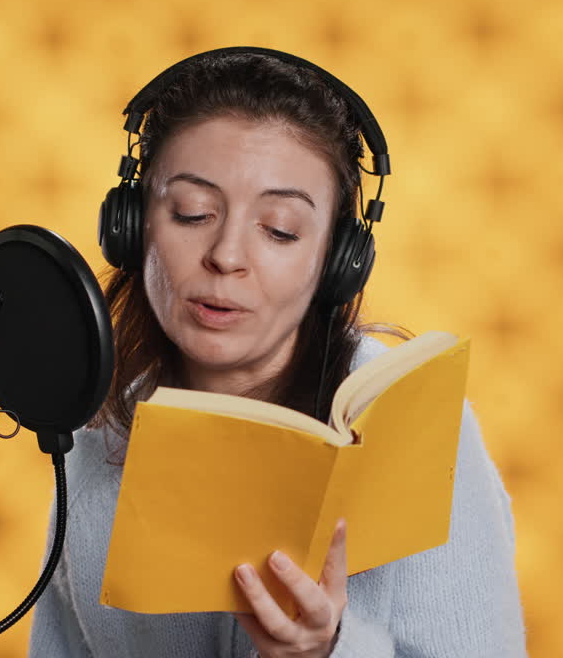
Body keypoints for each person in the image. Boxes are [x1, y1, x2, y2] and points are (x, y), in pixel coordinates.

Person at [27, 48, 527, 657]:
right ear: (132, 226)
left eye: (281, 229)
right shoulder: (94, 436)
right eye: (192, 213)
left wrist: (328, 652)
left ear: (336, 262)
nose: (227, 255)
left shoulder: (423, 432)